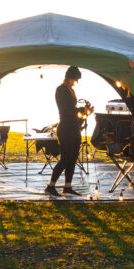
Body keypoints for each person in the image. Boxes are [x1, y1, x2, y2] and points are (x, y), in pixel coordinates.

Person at [45, 66, 84, 196]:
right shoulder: (60, 90)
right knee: (65, 158)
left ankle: (67, 186)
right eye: (74, 79)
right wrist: (79, 111)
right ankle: (51, 186)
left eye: (76, 80)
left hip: (74, 127)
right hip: (65, 127)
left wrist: (84, 111)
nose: (75, 82)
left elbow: (73, 109)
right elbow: (66, 110)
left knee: (73, 158)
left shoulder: (71, 90)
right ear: (68, 77)